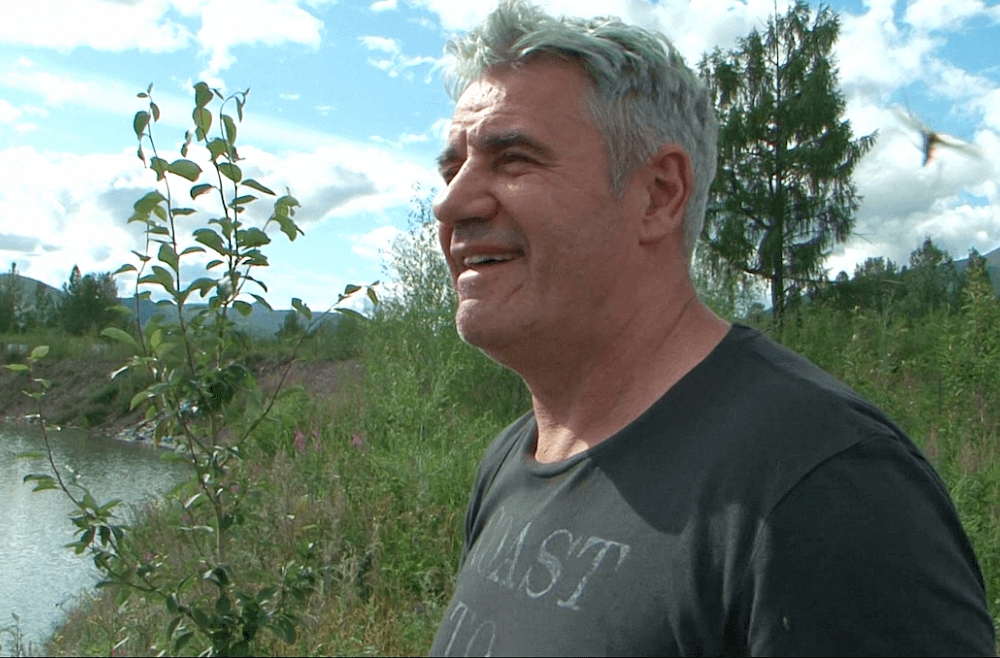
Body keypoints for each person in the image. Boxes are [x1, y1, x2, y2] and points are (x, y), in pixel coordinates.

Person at [428, 1, 995, 655]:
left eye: (513, 159)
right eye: (451, 169)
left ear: (659, 194)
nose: (450, 202)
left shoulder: (827, 488)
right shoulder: (511, 460)